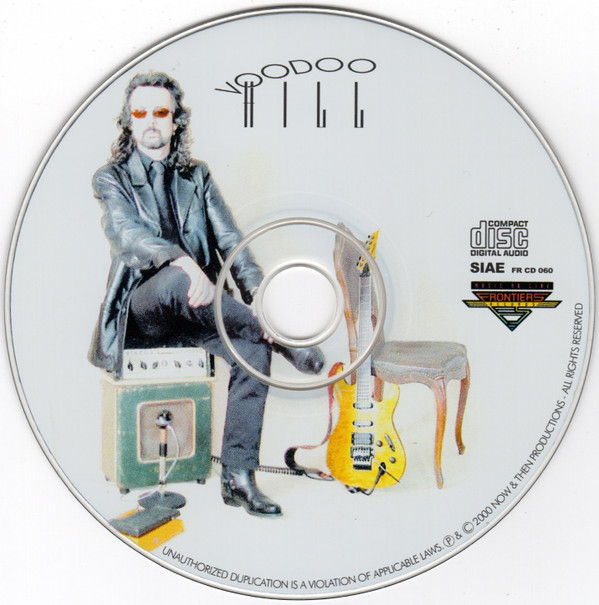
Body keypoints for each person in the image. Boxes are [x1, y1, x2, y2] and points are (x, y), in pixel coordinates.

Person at [88, 71, 324, 517]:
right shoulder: (110, 178)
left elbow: (231, 241)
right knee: (179, 280)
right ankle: (283, 334)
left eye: (161, 111)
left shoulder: (197, 176)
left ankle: (238, 477)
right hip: (145, 311)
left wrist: (259, 295)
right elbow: (126, 233)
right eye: (141, 113)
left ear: (175, 120)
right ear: (129, 121)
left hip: (200, 310)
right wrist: (180, 260)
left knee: (253, 349)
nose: (151, 121)